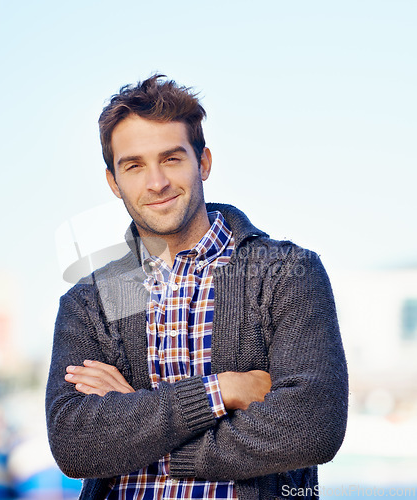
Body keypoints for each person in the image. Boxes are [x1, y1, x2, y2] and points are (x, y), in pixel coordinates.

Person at [46, 74, 348, 500]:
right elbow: (75, 444)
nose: (156, 183)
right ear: (114, 182)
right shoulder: (96, 297)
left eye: (171, 159)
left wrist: (146, 434)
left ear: (202, 162)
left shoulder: (284, 272)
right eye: (134, 166)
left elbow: (313, 425)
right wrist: (223, 390)